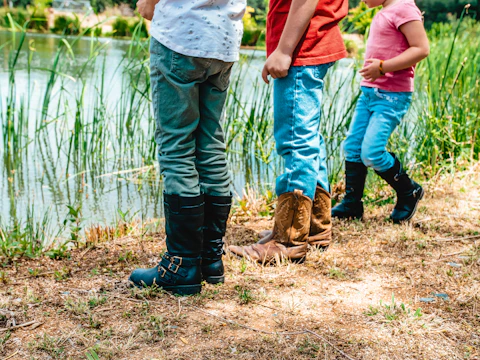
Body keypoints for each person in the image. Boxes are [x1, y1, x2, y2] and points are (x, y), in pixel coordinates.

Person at [128, 0, 246, 295]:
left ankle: (182, 264)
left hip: (181, 33)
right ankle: (209, 260)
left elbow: (147, 8)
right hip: (224, 39)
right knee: (210, 145)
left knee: (177, 146)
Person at [229, 0, 349, 263]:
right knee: (307, 139)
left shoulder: (294, 49)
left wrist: (284, 50)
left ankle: (288, 240)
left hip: (301, 47)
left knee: (296, 141)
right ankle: (315, 228)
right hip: (309, 42)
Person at [332, 0, 429, 223]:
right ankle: (352, 203)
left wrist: (383, 67)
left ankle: (409, 191)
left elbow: (421, 48)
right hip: (369, 94)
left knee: (372, 152)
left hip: (391, 96)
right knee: (352, 147)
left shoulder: (404, 8)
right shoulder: (385, 10)